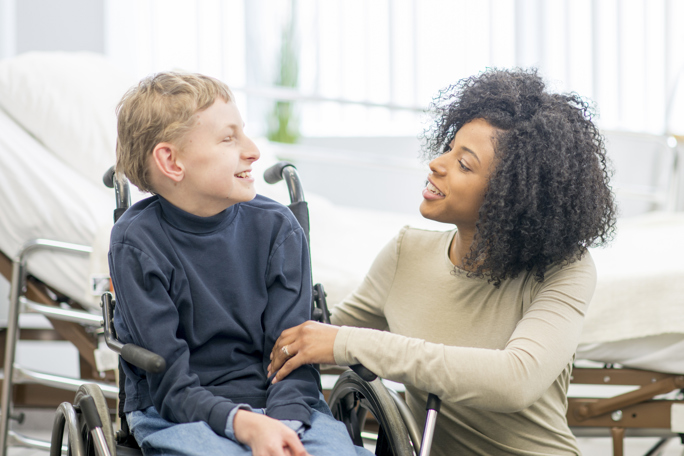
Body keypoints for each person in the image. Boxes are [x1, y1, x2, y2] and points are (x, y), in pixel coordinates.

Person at [268, 68, 617, 455]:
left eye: (465, 164)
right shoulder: (405, 253)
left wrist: (351, 343)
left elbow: (515, 380)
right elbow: (321, 338)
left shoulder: (565, 270)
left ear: (512, 195)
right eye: (449, 148)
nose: (437, 163)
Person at [110, 72, 370, 456]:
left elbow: (293, 357)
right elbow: (170, 387)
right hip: (177, 412)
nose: (253, 151)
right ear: (171, 160)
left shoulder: (278, 228)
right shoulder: (137, 243)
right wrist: (244, 424)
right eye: (229, 138)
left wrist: (281, 428)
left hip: (284, 405)